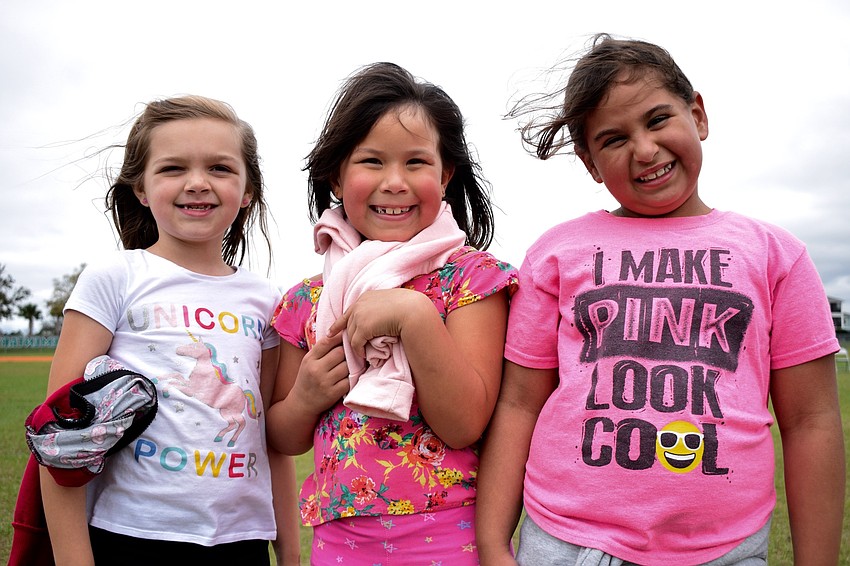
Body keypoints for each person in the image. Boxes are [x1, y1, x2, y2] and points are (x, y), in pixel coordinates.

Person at [476, 34, 845, 565]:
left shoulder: (775, 256)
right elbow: (518, 404)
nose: (644, 150)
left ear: (698, 115)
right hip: (567, 541)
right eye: (612, 139)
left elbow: (811, 421)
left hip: (725, 549)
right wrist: (492, 541)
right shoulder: (557, 254)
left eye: (656, 119)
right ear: (590, 163)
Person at [266, 62, 518, 565]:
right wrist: (306, 397)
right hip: (340, 543)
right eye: (373, 162)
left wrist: (414, 315)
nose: (395, 182)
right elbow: (283, 437)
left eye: (416, 163)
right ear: (337, 175)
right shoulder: (306, 300)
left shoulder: (471, 281)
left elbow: (465, 423)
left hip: (451, 535)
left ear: (445, 175)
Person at [39, 95, 301, 565]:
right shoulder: (115, 279)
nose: (197, 183)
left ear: (248, 191)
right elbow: (61, 439)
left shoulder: (266, 299)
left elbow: (269, 440)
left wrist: (290, 553)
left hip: (241, 542)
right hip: (129, 536)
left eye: (220, 168)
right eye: (173, 168)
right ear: (141, 188)